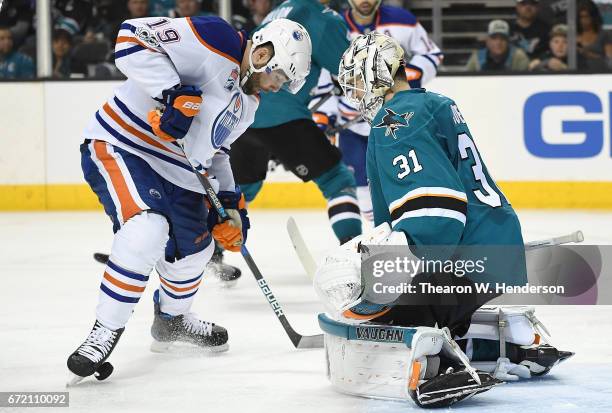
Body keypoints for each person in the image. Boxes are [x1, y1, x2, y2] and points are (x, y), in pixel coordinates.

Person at [313, 32, 572, 408]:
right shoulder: (434, 103)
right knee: (419, 304)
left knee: (380, 318)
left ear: (377, 72)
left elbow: (437, 214)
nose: (354, 93)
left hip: (463, 255)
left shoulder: (393, 121)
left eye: (356, 80)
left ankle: (436, 361)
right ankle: (512, 337)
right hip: (497, 247)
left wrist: (385, 273)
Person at [66, 16, 311, 384]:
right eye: (279, 78)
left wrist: (230, 204)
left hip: (179, 170)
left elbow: (217, 153)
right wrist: (173, 92)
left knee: (196, 251)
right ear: (262, 54)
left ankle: (171, 321)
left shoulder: (249, 104)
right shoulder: (217, 38)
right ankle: (103, 332)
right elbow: (131, 37)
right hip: (124, 143)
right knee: (147, 229)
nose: (277, 88)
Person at [215, 0, 363, 280]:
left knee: (241, 190)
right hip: (283, 115)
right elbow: (352, 71)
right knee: (337, 181)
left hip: (244, 111)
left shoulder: (281, 9)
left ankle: (208, 251)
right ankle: (353, 256)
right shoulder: (321, 17)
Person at [312, 0, 442, 223]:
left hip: (397, 121)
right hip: (352, 127)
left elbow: (432, 54)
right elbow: (323, 77)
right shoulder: (334, 26)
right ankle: (379, 233)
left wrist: (406, 75)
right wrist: (325, 117)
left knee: (405, 175)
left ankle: (410, 229)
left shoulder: (403, 21)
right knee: (362, 186)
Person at [466, 19, 530, 71]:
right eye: (494, 38)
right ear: (487, 40)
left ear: (508, 41)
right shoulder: (477, 58)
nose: (498, 42)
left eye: (503, 38)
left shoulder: (519, 57)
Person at [577, 0, 612, 71]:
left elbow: (609, 61)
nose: (584, 20)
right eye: (581, 17)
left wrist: (588, 54)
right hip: (576, 74)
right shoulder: (572, 34)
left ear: (594, 17)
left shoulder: (604, 35)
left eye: (587, 16)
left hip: (600, 73)